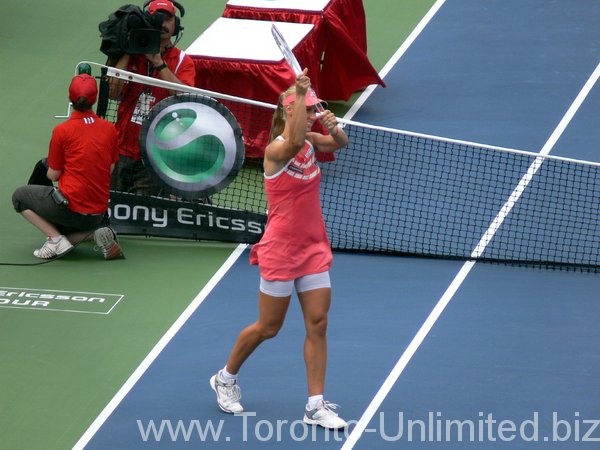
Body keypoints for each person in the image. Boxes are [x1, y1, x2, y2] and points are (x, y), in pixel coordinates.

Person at [210, 70, 350, 429]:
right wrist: (302, 96)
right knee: (269, 327)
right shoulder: (276, 150)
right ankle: (224, 378)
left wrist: (333, 127)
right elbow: (293, 140)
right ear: (287, 113)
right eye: (299, 108)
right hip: (281, 251)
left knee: (318, 323)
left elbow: (340, 143)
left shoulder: (310, 141)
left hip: (313, 247)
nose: (304, 113)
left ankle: (315, 405)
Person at [12, 74, 123, 260]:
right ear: (95, 99)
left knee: (19, 197)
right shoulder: (109, 129)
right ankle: (93, 233)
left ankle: (55, 239)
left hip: (69, 210)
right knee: (76, 223)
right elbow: (110, 169)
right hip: (98, 215)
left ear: (70, 98)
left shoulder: (62, 131)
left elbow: (53, 175)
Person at [108, 0, 196, 196]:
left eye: (168, 18)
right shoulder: (129, 55)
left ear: (176, 25)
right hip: (120, 150)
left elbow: (186, 98)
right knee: (110, 207)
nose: (163, 23)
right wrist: (129, 51)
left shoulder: (183, 61)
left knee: (140, 214)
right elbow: (113, 93)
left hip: (157, 156)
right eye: (157, 17)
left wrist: (158, 62)